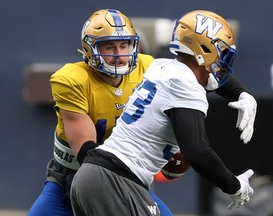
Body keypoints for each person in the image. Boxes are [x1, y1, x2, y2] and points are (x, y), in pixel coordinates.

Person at [27, 8, 257, 216]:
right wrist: (233, 185)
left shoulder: (153, 66)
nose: (119, 53)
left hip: (112, 175)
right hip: (83, 174)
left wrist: (241, 93)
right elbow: (197, 150)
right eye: (109, 46)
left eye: (124, 45)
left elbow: (205, 74)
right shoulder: (72, 79)